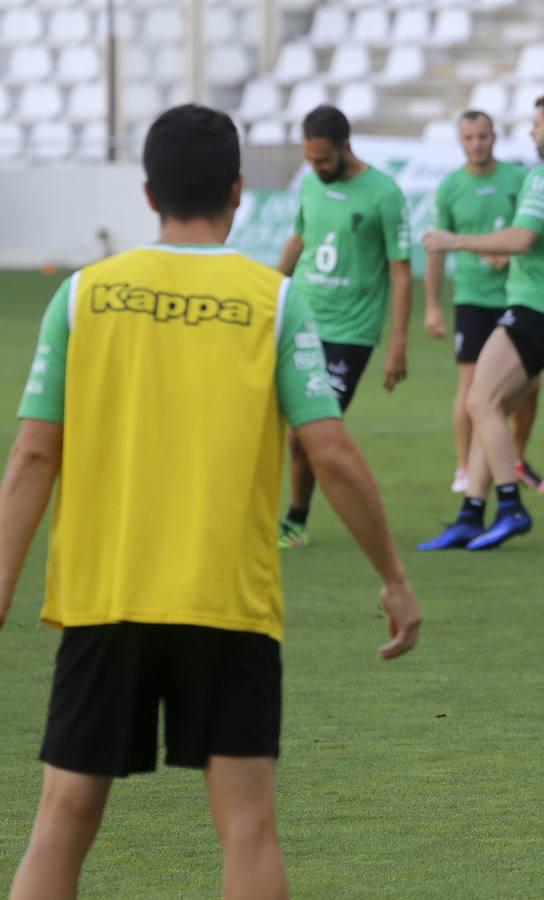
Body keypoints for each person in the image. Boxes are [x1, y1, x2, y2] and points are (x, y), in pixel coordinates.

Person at [0, 105, 422, 898]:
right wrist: (395, 577)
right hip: (226, 603)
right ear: (238, 191)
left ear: (148, 189)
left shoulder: (84, 296)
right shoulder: (275, 300)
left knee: (61, 820)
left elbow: (31, 455)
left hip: (105, 598)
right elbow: (330, 451)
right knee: (249, 827)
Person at [419, 91, 544, 551]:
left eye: (536, 125)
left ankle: (511, 506)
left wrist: (454, 241)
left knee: (480, 402)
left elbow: (521, 238)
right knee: (489, 404)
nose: (531, 133)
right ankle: (472, 514)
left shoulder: (543, 179)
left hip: (530, 309)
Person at [276, 104, 413, 548]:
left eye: (323, 160)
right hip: (302, 318)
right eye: (309, 160)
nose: (315, 168)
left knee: (310, 431)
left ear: (345, 147)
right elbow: (300, 239)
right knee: (277, 425)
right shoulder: (312, 185)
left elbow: (400, 271)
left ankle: (296, 520)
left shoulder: (384, 194)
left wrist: (397, 345)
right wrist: (270, 293)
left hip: (351, 334)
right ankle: (286, 519)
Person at [423, 109, 543, 493]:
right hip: (473, 299)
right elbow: (438, 250)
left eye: (483, 136)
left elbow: (534, 230)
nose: (476, 144)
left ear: (494, 137)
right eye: (469, 138)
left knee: (531, 384)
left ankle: (516, 457)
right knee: (472, 386)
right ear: (460, 141)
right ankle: (463, 468)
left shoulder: (518, 180)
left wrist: (511, 253)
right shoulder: (450, 188)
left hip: (516, 295)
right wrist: (432, 305)